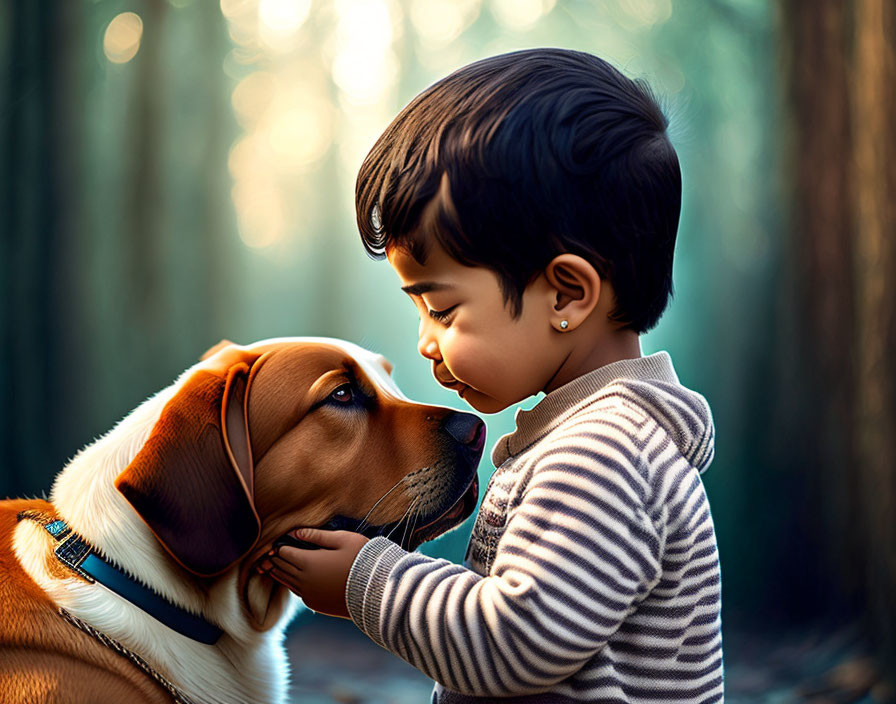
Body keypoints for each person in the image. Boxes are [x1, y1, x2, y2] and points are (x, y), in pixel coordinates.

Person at [258, 48, 723, 703]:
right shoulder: (605, 442)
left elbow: (517, 641)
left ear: (566, 294)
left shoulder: (604, 453)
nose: (425, 342)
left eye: (442, 309)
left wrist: (368, 580)